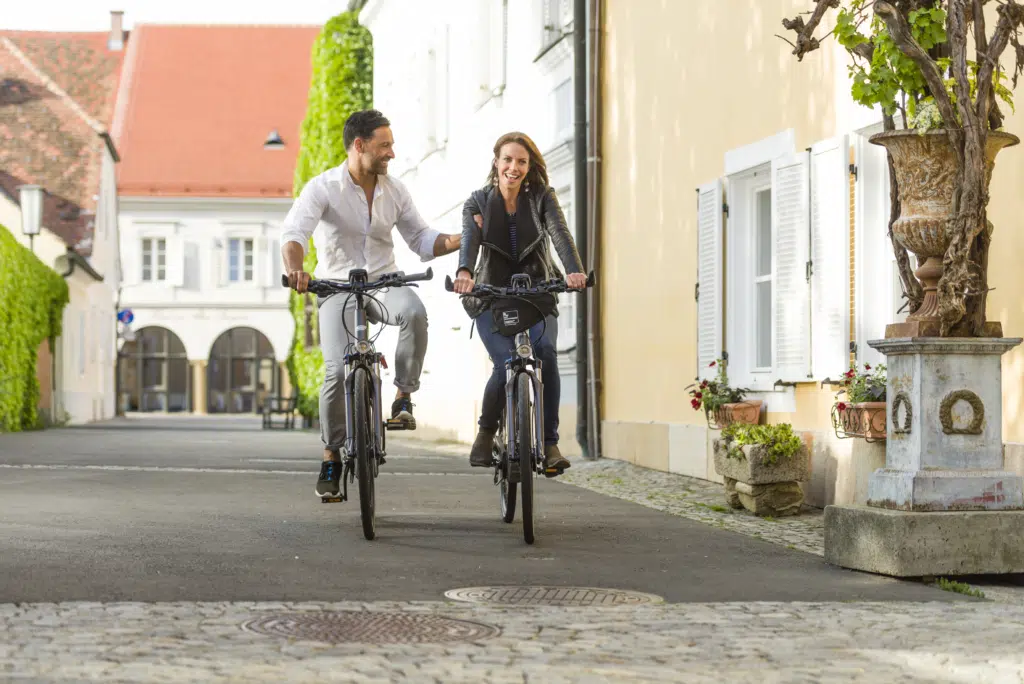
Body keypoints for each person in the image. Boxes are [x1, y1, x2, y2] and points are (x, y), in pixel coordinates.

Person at [281, 109, 461, 497]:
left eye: (391, 146)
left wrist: (460, 239)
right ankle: (331, 456)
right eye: (385, 146)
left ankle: (402, 398)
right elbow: (295, 232)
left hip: (383, 282)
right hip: (336, 287)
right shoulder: (323, 188)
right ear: (359, 146)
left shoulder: (394, 190)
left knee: (414, 312)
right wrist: (296, 270)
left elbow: (421, 239)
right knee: (335, 371)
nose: (391, 154)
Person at [453, 131, 587, 472]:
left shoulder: (542, 197)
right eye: (508, 159)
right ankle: (485, 434)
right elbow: (469, 238)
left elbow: (559, 233)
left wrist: (574, 271)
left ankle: (550, 442)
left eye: (522, 161)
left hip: (536, 292)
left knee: (546, 355)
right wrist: (465, 272)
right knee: (506, 361)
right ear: (496, 162)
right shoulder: (478, 201)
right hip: (489, 297)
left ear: (529, 167)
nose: (514, 167)